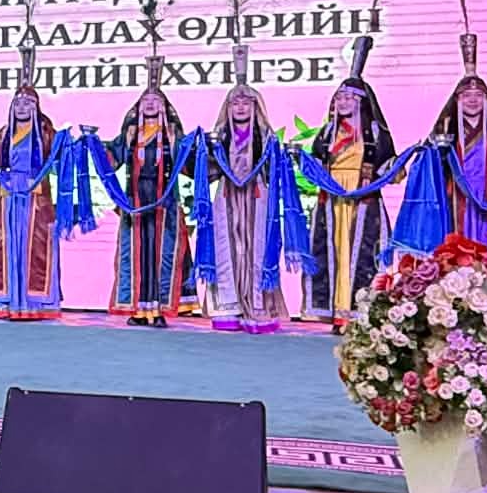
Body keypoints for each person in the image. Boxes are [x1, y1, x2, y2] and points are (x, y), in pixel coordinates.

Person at [306, 36, 398, 327]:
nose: (343, 102)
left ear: (361, 102)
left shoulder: (374, 133)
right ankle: (336, 310)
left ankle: (360, 311)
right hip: (332, 199)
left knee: (362, 251)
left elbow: (390, 166)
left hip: (362, 198)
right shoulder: (327, 132)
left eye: (348, 97)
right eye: (339, 98)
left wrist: (398, 165)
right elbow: (315, 162)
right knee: (333, 250)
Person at [0, 42, 63, 321]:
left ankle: (34, 303)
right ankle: (5, 301)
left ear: (37, 107)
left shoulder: (46, 133)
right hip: (8, 197)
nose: (22, 107)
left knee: (36, 247)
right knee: (5, 245)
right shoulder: (2, 135)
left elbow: (59, 161)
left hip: (37, 197)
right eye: (18, 103)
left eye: (28, 103)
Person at [205, 44, 288, 332]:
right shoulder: (219, 136)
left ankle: (257, 306)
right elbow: (207, 171)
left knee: (256, 248)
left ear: (256, 107)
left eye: (246, 103)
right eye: (235, 103)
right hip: (227, 197)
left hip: (256, 196)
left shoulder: (266, 138)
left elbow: (274, 171)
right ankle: (229, 307)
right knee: (226, 247)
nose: (240, 107)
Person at [105, 70, 197, 327]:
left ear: (165, 107)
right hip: (135, 203)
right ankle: (138, 308)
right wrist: (89, 144)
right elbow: (111, 159)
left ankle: (159, 310)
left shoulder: (172, 136)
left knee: (162, 256)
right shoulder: (130, 135)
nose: (150, 103)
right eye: (146, 99)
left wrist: (201, 148)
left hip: (164, 204)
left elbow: (188, 164)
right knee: (136, 256)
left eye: (156, 100)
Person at [431, 30, 487, 245]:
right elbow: (430, 162)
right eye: (467, 96)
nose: (473, 100)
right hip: (457, 196)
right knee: (457, 239)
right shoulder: (447, 126)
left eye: (478, 96)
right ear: (457, 100)